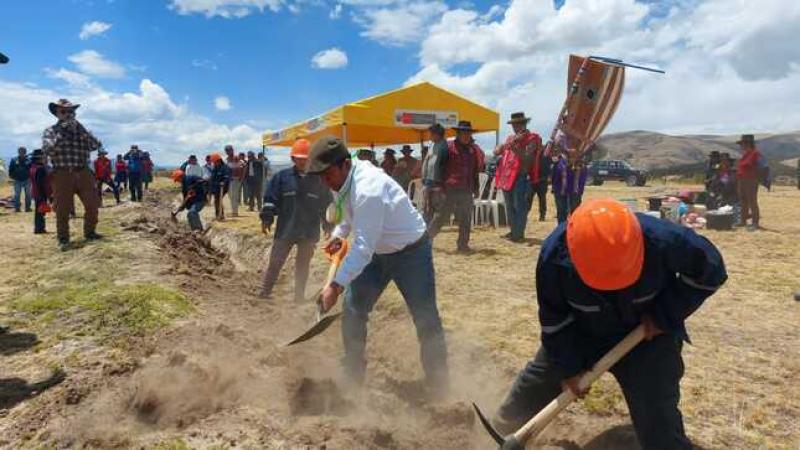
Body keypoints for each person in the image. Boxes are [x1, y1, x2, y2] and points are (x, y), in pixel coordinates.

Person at [493, 198, 727, 450]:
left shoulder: (663, 240)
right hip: (581, 332)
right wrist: (569, 367)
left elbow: (711, 270)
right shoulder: (553, 256)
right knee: (535, 385)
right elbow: (555, 321)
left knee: (657, 413)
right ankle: (496, 435)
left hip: (646, 336)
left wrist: (665, 315)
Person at [309, 135, 449, 393]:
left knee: (425, 317)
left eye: (326, 175)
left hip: (411, 253)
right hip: (377, 253)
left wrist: (336, 285)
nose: (323, 181)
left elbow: (362, 247)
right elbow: (347, 214)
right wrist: (339, 234)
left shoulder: (368, 188)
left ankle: (438, 385)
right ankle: (352, 376)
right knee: (353, 309)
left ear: (343, 165)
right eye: (320, 176)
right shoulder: (340, 180)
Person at [258, 139, 332, 302]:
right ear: (293, 159)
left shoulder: (319, 180)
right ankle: (265, 292)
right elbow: (270, 199)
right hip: (286, 229)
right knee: (276, 262)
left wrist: (327, 224)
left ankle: (299, 296)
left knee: (303, 266)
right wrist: (267, 218)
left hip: (309, 231)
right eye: (299, 158)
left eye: (306, 158)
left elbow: (326, 205)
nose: (303, 161)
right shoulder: (281, 178)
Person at [41, 98, 103, 251]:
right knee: (62, 209)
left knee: (93, 204)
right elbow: (49, 149)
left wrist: (80, 130)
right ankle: (63, 238)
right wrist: (63, 130)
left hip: (83, 173)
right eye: (64, 111)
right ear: (57, 114)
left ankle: (90, 233)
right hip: (62, 174)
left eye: (71, 111)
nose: (68, 114)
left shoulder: (81, 130)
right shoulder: (50, 131)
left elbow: (95, 145)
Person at [428, 120, 485, 253]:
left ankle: (463, 245)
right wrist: (439, 187)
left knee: (466, 218)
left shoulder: (472, 150)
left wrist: (476, 188)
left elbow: (474, 171)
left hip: (466, 188)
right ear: (458, 134)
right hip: (449, 189)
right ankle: (425, 242)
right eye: (463, 133)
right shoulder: (448, 147)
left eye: (468, 133)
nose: (466, 136)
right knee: (441, 217)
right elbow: (438, 167)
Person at [494, 112, 542, 242]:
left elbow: (528, 159)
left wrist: (515, 148)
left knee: (519, 206)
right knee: (509, 206)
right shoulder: (510, 138)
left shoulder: (532, 138)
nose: (516, 126)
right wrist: (502, 147)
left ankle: (518, 234)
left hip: (521, 177)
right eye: (514, 124)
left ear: (524, 124)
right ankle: (513, 231)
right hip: (507, 176)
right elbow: (497, 151)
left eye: (519, 124)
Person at [421, 124, 447, 225]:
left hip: (437, 181)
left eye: (431, 134)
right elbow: (427, 160)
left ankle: (433, 228)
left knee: (437, 206)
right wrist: (424, 176)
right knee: (427, 206)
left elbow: (444, 166)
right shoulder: (432, 145)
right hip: (428, 180)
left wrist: (441, 184)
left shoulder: (444, 146)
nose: (430, 136)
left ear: (437, 134)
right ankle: (425, 227)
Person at [736, 134, 762, 230]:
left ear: (748, 144)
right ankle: (743, 221)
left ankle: (755, 222)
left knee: (752, 201)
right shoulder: (745, 154)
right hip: (742, 180)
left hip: (751, 180)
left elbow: (754, 166)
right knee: (743, 201)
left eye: (743, 144)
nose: (741, 146)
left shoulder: (755, 153)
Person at [29, 149, 52, 234]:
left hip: (36, 192)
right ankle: (39, 228)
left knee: (38, 211)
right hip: (40, 193)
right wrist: (47, 194)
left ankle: (38, 228)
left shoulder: (33, 167)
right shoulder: (41, 168)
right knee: (40, 212)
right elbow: (42, 183)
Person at [9, 146, 32, 213]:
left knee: (28, 195)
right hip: (17, 180)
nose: (22, 152)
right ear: (18, 152)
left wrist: (30, 177)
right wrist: (13, 177)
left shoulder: (29, 160)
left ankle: (28, 208)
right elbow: (11, 170)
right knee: (17, 195)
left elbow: (31, 169)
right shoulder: (14, 159)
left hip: (27, 180)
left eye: (23, 151)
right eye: (20, 151)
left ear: (25, 152)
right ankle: (17, 208)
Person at [208, 153, 229, 220]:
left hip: (223, 187)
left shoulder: (224, 167)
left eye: (214, 162)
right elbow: (213, 177)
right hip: (216, 187)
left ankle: (220, 215)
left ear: (218, 160)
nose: (213, 163)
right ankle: (219, 214)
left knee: (218, 200)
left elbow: (226, 177)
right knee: (217, 200)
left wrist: (223, 182)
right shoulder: (215, 167)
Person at [227, 147, 245, 217]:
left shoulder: (236, 158)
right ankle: (233, 210)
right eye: (227, 151)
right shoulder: (227, 160)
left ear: (232, 150)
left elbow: (244, 166)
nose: (228, 152)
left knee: (235, 196)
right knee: (231, 196)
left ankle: (235, 212)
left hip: (236, 179)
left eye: (229, 150)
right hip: (230, 180)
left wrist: (242, 177)